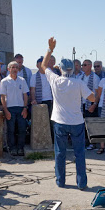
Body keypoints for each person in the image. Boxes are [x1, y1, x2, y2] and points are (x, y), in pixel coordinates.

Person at [42, 37, 95, 190]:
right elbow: (91, 97)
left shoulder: (56, 80)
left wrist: (50, 49)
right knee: (80, 154)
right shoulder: (79, 82)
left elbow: (44, 65)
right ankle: (81, 183)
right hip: (77, 122)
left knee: (60, 153)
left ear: (61, 69)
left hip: (60, 121)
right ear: (73, 69)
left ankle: (60, 181)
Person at [0, 61, 29, 156]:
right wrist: (5, 110)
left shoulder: (22, 80)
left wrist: (25, 108)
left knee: (22, 129)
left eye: (16, 67)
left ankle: (20, 148)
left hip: (20, 108)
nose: (14, 69)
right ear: (8, 69)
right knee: (10, 130)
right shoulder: (4, 81)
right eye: (12, 67)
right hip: (10, 109)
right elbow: (2, 97)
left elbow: (25, 95)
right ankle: (12, 148)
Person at [30, 56, 54, 141]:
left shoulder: (51, 75)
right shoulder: (34, 76)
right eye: (40, 63)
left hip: (50, 101)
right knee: (40, 122)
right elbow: (32, 90)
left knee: (51, 121)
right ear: (37, 65)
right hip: (39, 101)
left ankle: (52, 140)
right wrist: (33, 99)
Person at [79, 59, 100, 150]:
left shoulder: (95, 78)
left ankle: (93, 143)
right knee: (82, 124)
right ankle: (84, 142)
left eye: (85, 65)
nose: (83, 67)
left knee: (91, 125)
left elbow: (97, 93)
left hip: (91, 103)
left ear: (90, 66)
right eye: (82, 65)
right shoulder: (80, 77)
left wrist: (94, 104)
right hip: (81, 104)